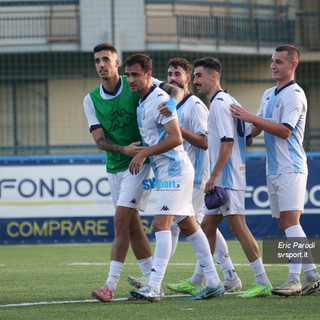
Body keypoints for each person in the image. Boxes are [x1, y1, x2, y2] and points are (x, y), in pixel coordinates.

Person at [83, 43, 183, 302]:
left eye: (106, 59)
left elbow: (175, 90)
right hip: (117, 164)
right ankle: (152, 280)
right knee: (133, 225)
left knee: (120, 221)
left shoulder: (135, 83)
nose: (101, 64)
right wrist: (123, 150)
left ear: (117, 63)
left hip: (140, 164)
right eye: (97, 60)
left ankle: (110, 285)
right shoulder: (91, 99)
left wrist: (172, 103)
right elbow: (99, 141)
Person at [124, 53, 225, 302]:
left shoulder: (159, 98)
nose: (131, 80)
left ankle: (154, 285)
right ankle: (213, 281)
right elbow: (175, 91)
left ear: (148, 75)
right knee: (190, 225)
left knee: (161, 224)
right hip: (169, 171)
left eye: (135, 74)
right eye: (128, 75)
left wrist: (144, 153)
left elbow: (176, 138)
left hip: (176, 171)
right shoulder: (144, 100)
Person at [230, 44, 320, 297]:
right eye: (272, 61)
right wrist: (238, 135)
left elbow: (284, 130)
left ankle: (294, 279)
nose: (273, 65)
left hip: (291, 167)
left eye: (279, 61)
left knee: (291, 222)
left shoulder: (296, 94)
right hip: (274, 169)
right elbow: (257, 127)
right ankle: (312, 275)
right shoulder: (269, 93)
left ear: (293, 65)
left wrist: (249, 117)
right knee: (285, 223)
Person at [161, 58, 242, 294]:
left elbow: (205, 142)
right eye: (169, 74)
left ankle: (156, 277)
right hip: (181, 175)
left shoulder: (195, 105)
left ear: (187, 79)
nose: (173, 78)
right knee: (200, 226)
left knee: (186, 225)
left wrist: (178, 128)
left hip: (196, 176)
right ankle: (225, 275)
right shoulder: (173, 103)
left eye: (178, 74)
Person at [193, 57, 272, 298]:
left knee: (238, 228)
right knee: (206, 228)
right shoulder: (230, 100)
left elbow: (228, 141)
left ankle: (262, 280)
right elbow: (248, 134)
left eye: (199, 76)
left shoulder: (218, 103)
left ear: (214, 76)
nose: (195, 81)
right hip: (229, 175)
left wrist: (214, 176)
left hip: (227, 179)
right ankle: (209, 280)